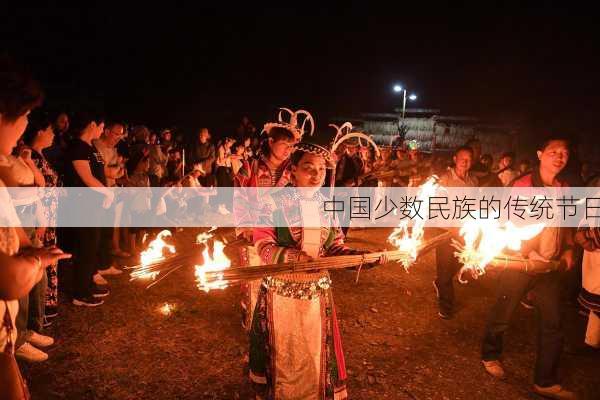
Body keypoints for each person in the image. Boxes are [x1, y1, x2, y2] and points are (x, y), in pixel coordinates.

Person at [249, 142, 386, 399]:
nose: (316, 175)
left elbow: (334, 247)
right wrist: (292, 256)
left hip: (316, 294)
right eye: (308, 168)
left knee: (314, 352)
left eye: (321, 169)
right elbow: (263, 245)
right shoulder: (272, 203)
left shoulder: (327, 204)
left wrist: (361, 259)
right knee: (284, 353)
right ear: (293, 171)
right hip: (280, 296)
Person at [481, 136, 576, 400]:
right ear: (539, 154)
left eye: (564, 153)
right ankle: (490, 354)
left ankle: (544, 381)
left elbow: (566, 225)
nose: (559, 156)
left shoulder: (564, 188)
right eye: (553, 151)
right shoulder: (522, 185)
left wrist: (567, 249)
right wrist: (527, 253)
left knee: (554, 322)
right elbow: (508, 223)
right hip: (519, 263)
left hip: (548, 268)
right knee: (503, 311)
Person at [61, 112, 114, 307]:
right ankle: (80, 293)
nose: (102, 130)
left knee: (93, 246)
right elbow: (87, 177)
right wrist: (108, 194)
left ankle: (88, 283)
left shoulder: (90, 146)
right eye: (101, 126)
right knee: (85, 247)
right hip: (83, 206)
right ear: (92, 124)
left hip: (94, 206)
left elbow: (99, 173)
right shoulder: (77, 147)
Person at [433, 145, 479, 319]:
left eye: (469, 160)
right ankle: (446, 306)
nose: (465, 163)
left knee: (462, 262)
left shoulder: (473, 181)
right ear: (455, 159)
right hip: (445, 230)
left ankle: (439, 282)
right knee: (445, 268)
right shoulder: (444, 179)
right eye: (462, 159)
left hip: (465, 231)